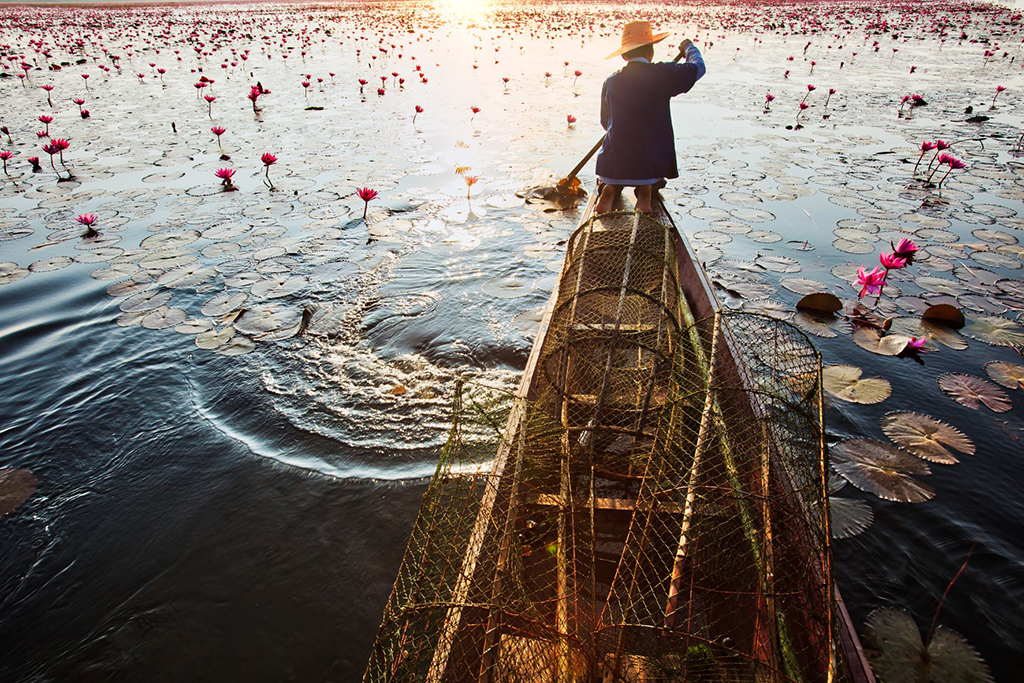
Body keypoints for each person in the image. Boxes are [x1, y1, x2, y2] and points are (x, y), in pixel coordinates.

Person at [595, 22, 706, 215]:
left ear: (624, 55)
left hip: (612, 164)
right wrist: (688, 47)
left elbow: (606, 124)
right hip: (649, 166)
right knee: (649, 180)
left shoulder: (611, 81)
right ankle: (645, 196)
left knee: (615, 171)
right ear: (650, 52)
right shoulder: (663, 74)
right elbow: (698, 68)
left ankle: (611, 188)